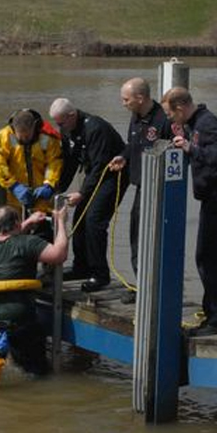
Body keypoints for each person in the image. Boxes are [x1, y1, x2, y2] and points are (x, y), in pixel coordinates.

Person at [162, 86, 217, 335]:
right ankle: (213, 314)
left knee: (213, 258)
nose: (170, 119)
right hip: (212, 198)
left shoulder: (207, 123)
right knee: (206, 256)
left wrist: (191, 149)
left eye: (170, 114)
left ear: (181, 107)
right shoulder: (193, 124)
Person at [0, 204, 69, 375]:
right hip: (18, 317)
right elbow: (59, 254)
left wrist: (28, 222)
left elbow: (10, 236)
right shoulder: (29, 243)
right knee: (38, 369)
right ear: (17, 223)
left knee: (12, 357)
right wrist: (62, 222)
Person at [49, 97, 129, 292]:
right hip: (94, 175)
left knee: (94, 221)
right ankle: (81, 267)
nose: (59, 127)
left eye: (61, 123)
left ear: (72, 115)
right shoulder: (67, 129)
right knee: (80, 218)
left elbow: (100, 166)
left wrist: (82, 194)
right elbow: (70, 162)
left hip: (112, 176)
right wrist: (57, 188)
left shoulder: (95, 128)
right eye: (57, 123)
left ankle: (100, 274)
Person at [108, 77, 172, 304]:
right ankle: (142, 283)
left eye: (126, 99)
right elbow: (132, 145)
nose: (123, 103)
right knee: (136, 236)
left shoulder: (164, 120)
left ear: (140, 98)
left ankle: (156, 286)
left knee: (154, 238)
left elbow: (173, 154)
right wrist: (123, 157)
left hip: (159, 189)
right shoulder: (135, 118)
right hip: (140, 185)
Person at [0, 108, 63, 223]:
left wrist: (49, 184)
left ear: (34, 127)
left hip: (41, 197)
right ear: (14, 130)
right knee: (15, 230)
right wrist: (13, 185)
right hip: (15, 197)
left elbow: (54, 162)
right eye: (20, 136)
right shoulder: (5, 135)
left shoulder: (47, 136)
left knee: (42, 232)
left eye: (27, 136)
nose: (24, 139)